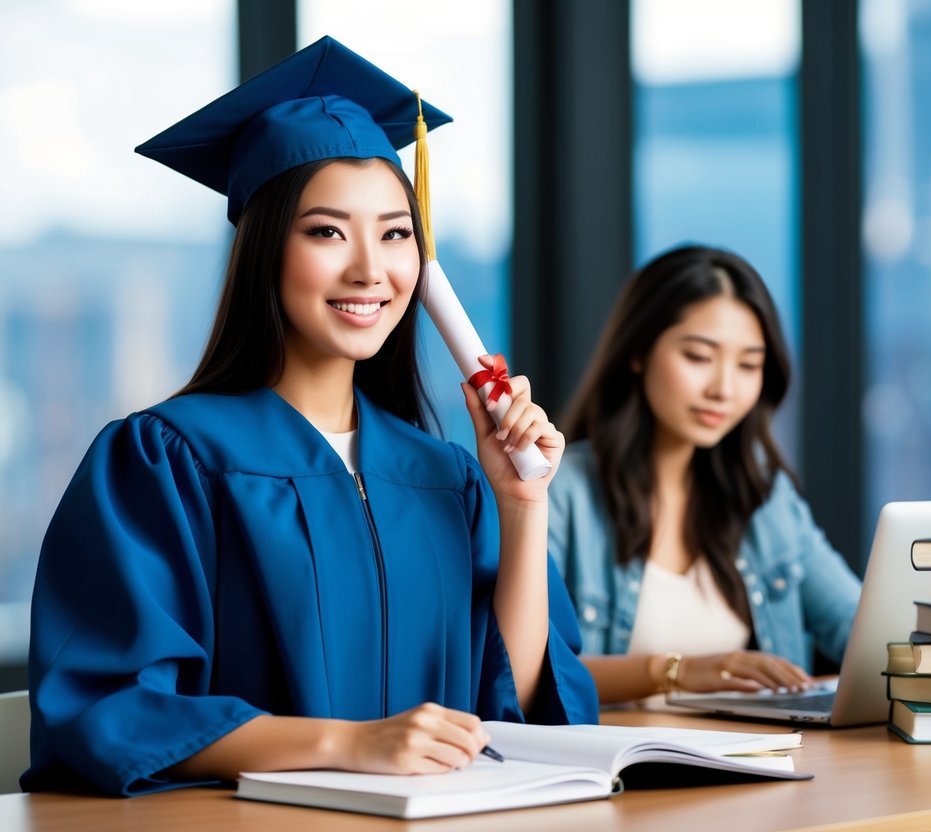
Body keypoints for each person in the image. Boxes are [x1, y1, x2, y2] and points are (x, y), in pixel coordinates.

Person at [22, 36, 597, 796]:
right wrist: (350, 745)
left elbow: (511, 705)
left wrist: (522, 506)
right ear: (267, 251)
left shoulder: (445, 477)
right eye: (327, 231)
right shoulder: (167, 460)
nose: (369, 268)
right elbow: (114, 711)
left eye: (395, 233)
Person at [547, 245, 861, 705]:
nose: (724, 389)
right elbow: (530, 669)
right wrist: (676, 671)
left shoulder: (764, 496)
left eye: (749, 365)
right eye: (698, 357)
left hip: (752, 762)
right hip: (612, 767)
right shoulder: (560, 490)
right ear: (637, 351)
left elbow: (859, 629)